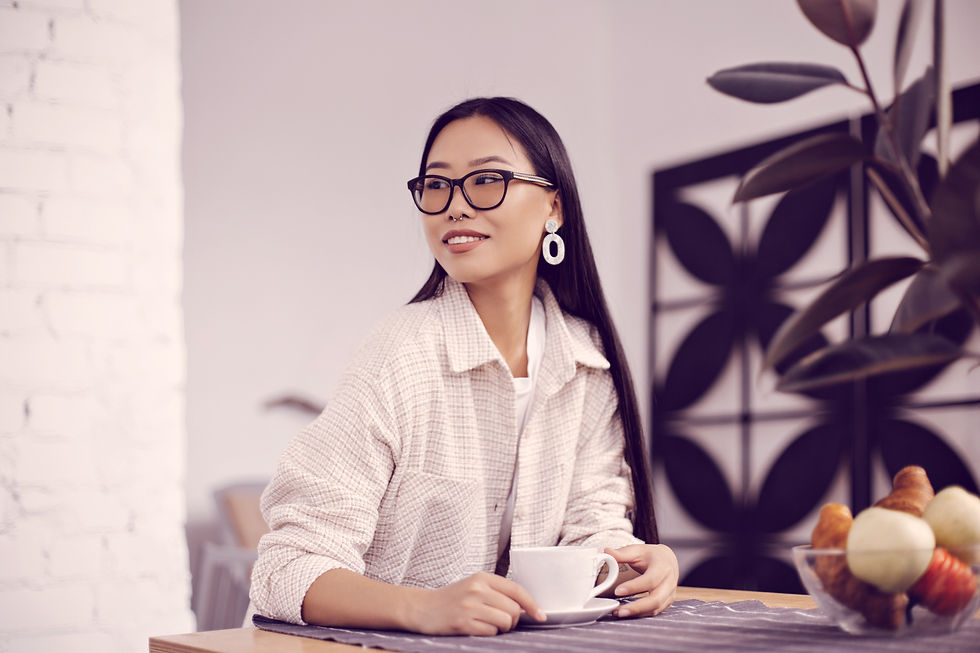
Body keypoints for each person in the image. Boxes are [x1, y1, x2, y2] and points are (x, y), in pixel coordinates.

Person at [249, 97, 678, 636]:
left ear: (554, 207)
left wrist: (637, 564)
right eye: (437, 185)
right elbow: (285, 569)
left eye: (486, 181)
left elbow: (593, 530)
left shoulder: (586, 360)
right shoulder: (398, 354)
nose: (455, 205)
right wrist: (422, 607)